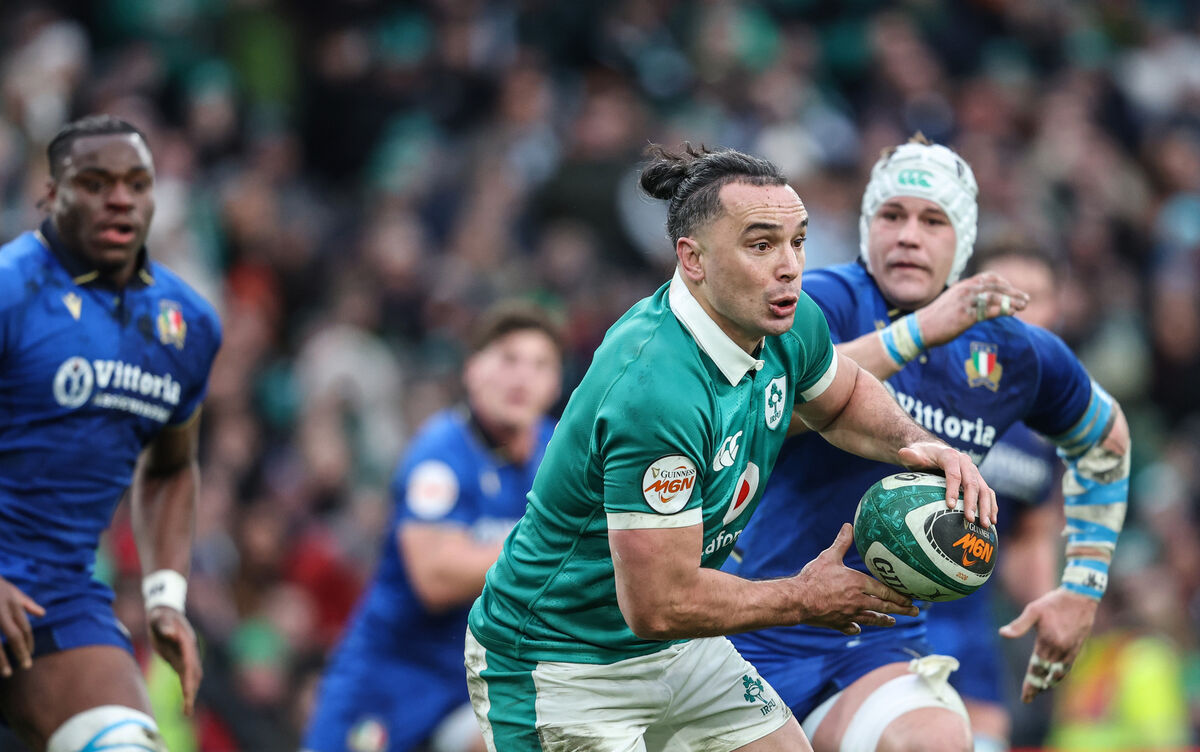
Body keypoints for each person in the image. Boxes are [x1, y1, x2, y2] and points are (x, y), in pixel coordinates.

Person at [465, 143, 995, 752]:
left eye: (797, 240)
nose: (791, 265)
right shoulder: (655, 391)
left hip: (677, 649)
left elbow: (844, 397)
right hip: (560, 659)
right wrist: (804, 596)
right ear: (693, 259)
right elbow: (658, 603)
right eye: (761, 244)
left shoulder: (785, 319)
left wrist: (922, 446)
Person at [725, 134, 1131, 752]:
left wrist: (1083, 587)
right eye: (892, 216)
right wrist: (916, 334)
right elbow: (765, 408)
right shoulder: (821, 299)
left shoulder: (1010, 351)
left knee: (936, 740)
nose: (908, 235)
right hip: (747, 628)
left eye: (932, 221)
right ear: (868, 228)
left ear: (961, 240)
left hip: (873, 649)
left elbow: (1107, 440)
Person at [0, 115, 221, 751]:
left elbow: (173, 465)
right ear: (50, 195)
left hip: (56, 596)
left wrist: (164, 595)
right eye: (94, 182)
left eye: (136, 182)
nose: (119, 197)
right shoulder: (12, 291)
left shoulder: (186, 326)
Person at [303, 301, 565, 752]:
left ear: (556, 383)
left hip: (484, 676)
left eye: (540, 365)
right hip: (393, 675)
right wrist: (543, 542)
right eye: (507, 359)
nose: (522, 378)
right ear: (473, 371)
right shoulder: (439, 454)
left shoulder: (562, 454)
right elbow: (435, 578)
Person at [923, 241, 1066, 752]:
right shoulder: (919, 380)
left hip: (970, 633)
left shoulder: (1044, 430)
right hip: (873, 621)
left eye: (1036, 298)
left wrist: (1051, 609)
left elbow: (1029, 534)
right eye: (1001, 296)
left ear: (1057, 310)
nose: (1019, 312)